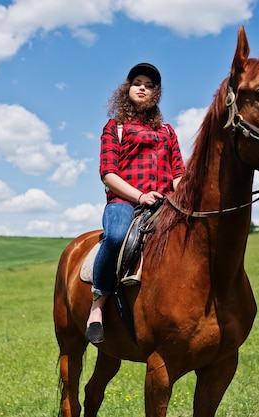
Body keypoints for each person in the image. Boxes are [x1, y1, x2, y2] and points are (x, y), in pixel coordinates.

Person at [85, 63, 185, 344]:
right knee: (116, 237)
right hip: (125, 201)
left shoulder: (167, 131)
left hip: (165, 203)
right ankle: (98, 304)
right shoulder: (115, 127)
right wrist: (139, 196)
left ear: (156, 94)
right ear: (127, 89)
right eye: (137, 82)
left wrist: (184, 195)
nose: (143, 87)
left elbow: (179, 173)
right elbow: (108, 173)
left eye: (150, 85)